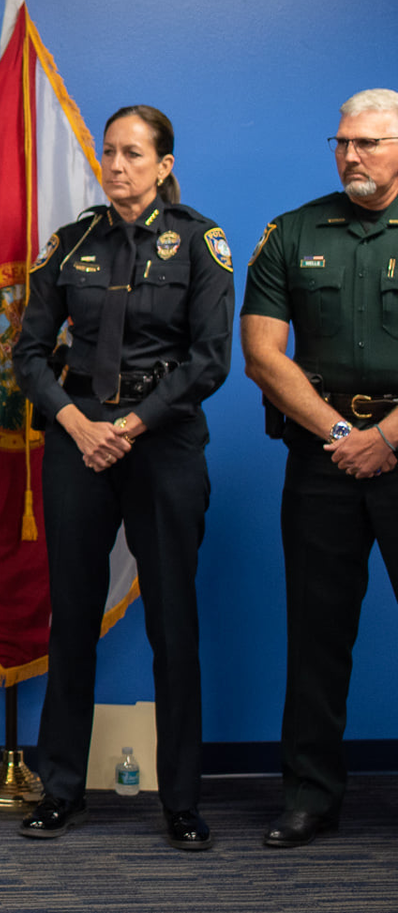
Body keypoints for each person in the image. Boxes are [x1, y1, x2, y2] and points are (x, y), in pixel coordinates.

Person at [14, 105, 231, 851]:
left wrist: (130, 428)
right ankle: (61, 789)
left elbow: (210, 360)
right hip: (79, 440)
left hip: (162, 442)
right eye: (108, 153)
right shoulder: (70, 243)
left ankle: (181, 801)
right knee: (71, 618)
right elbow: (28, 354)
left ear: (164, 164)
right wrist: (78, 426)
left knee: (173, 624)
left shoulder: (201, 243)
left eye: (134, 154)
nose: (117, 166)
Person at [242, 88, 398, 849]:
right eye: (342, 142)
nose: (350, 156)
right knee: (316, 633)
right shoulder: (293, 231)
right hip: (323, 454)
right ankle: (310, 795)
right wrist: (344, 432)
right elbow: (263, 356)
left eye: (368, 142)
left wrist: (389, 437)